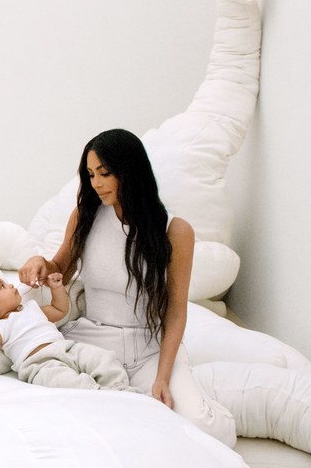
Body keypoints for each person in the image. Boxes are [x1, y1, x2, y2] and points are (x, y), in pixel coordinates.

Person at [19, 129, 235, 445]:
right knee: (76, 424)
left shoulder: (175, 231)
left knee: (204, 427)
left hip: (148, 349)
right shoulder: (85, 216)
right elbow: (59, 270)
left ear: (129, 170)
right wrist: (39, 261)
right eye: (90, 174)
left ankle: (223, 402)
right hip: (91, 344)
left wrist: (162, 377)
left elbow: (175, 311)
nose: (96, 183)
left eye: (104, 173)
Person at [0, 273, 132, 391]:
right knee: (62, 381)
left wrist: (57, 288)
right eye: (2, 286)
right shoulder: (0, 327)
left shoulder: (32, 308)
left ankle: (119, 388)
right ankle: (97, 393)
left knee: (102, 358)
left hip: (67, 348)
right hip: (39, 364)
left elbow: (59, 310)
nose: (10, 285)